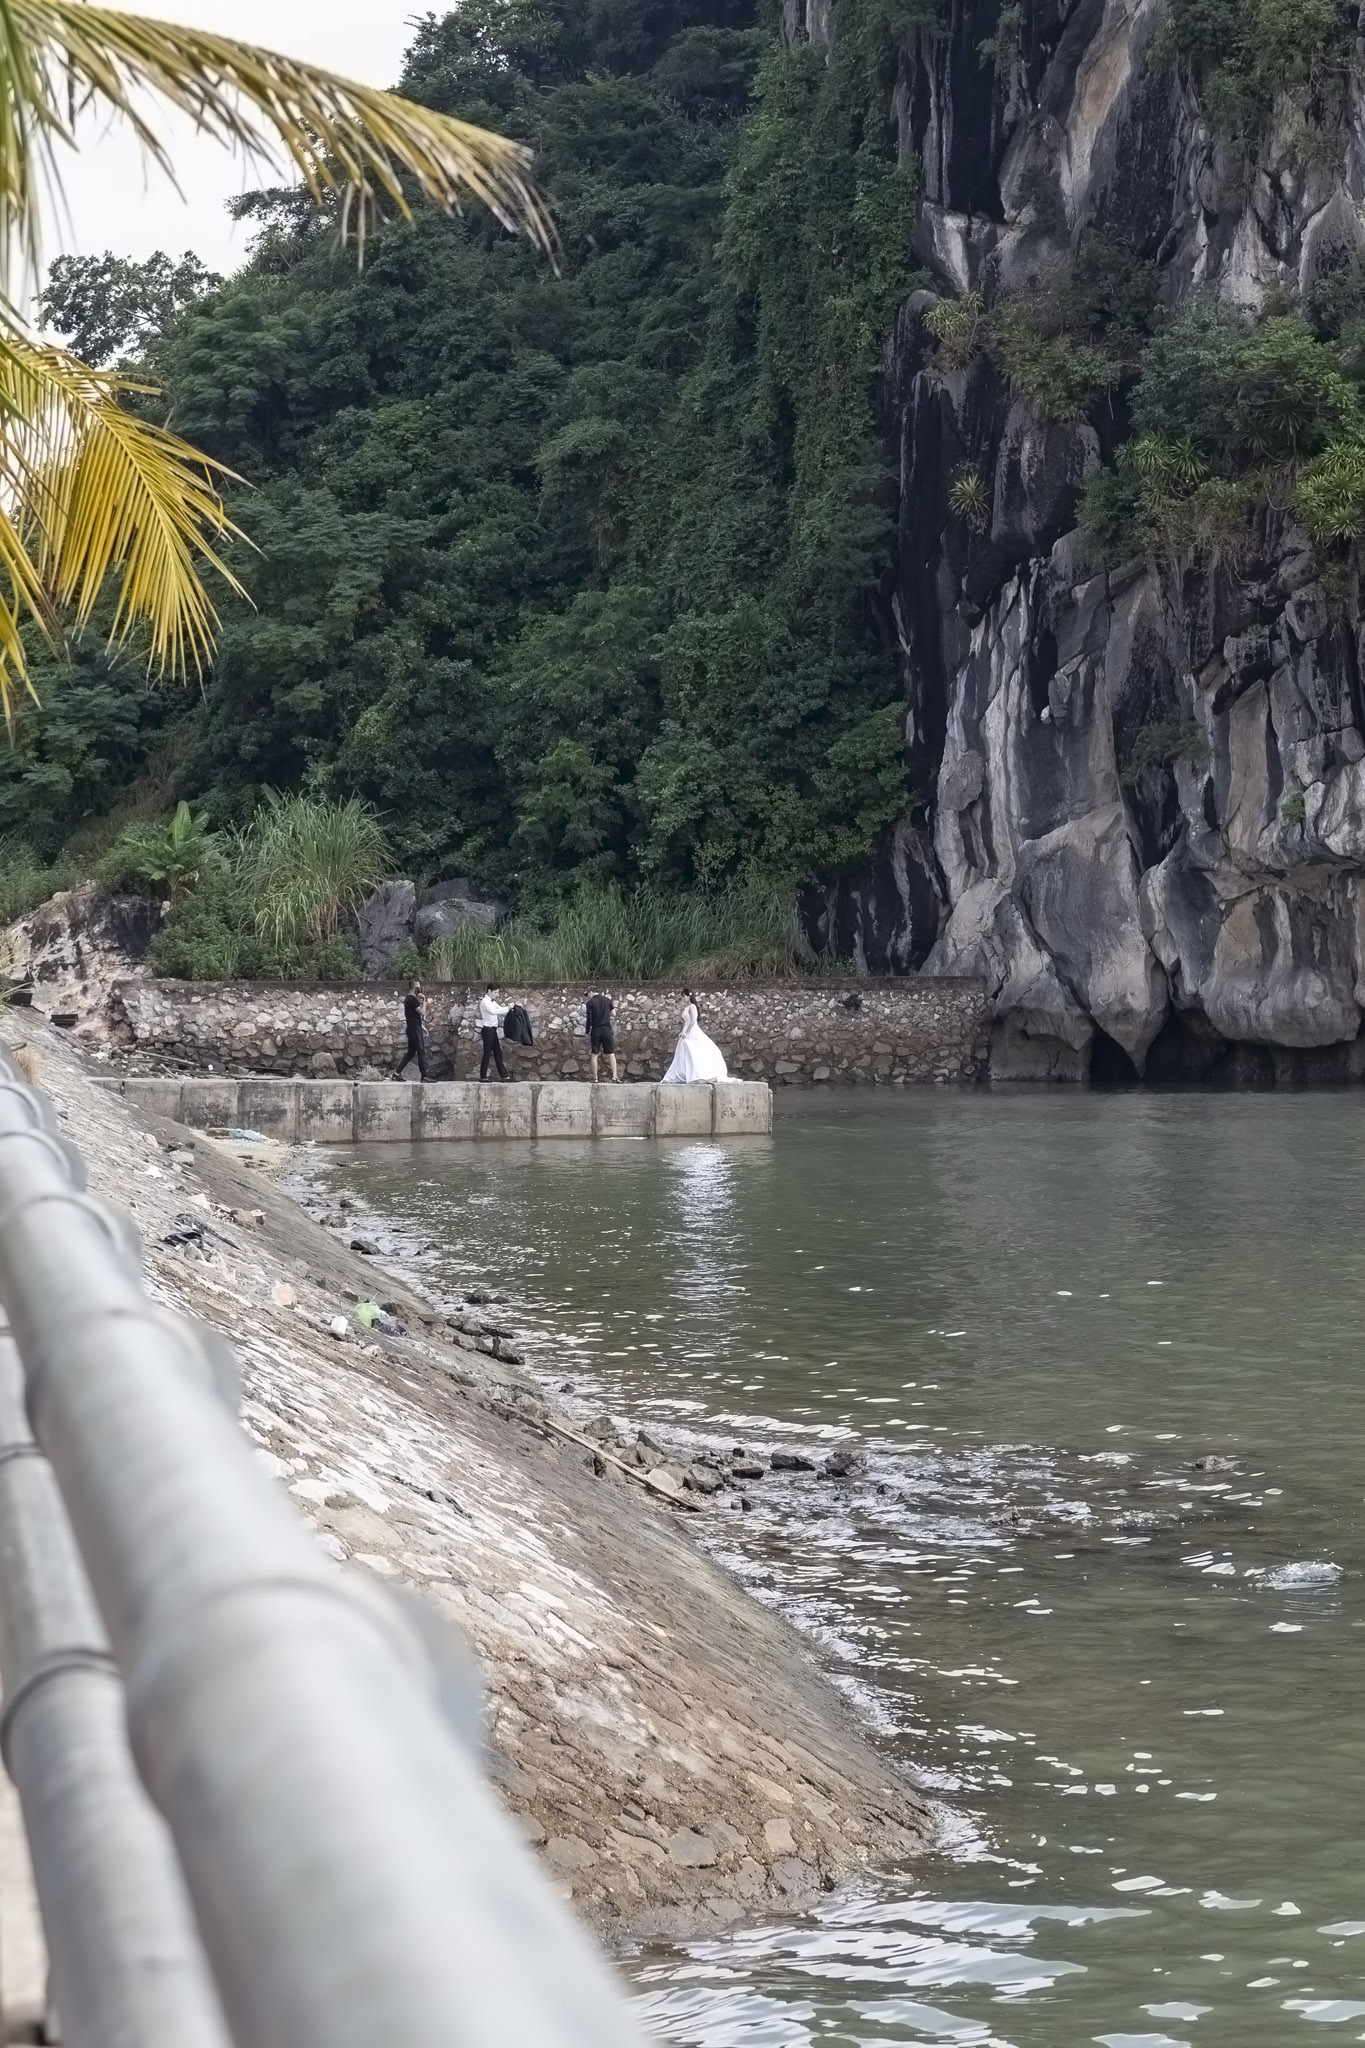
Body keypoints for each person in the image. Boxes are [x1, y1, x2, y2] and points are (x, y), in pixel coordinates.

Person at [661, 990, 728, 1083]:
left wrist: (687, 1033)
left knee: (695, 1050)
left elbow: (693, 1021)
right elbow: (686, 1022)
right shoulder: (686, 1007)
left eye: (684, 996)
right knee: (683, 1052)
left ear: (689, 996)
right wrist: (682, 1032)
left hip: (693, 1031)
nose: (683, 998)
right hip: (687, 1030)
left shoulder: (692, 1006)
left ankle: (696, 1073)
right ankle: (684, 1072)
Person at [395, 979, 428, 1080]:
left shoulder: (408, 999)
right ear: (414, 988)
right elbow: (421, 1012)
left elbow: (412, 1016)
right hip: (414, 1029)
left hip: (412, 1028)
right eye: (418, 987)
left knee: (411, 1052)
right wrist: (424, 1000)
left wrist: (422, 1027)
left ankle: (396, 1074)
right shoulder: (412, 999)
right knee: (421, 1051)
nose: (419, 989)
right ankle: (424, 1076)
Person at [477, 984, 511, 1080]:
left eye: (498, 992)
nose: (497, 994)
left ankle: (504, 1076)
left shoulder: (492, 1002)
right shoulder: (485, 1002)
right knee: (487, 1053)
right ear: (489, 991)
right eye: (495, 992)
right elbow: (493, 1011)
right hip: (487, 1030)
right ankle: (483, 1077)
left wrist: (509, 1008)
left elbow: (499, 1008)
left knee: (497, 1052)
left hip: (492, 1030)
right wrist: (507, 1008)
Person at [585, 989, 618, 1082]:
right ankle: (615, 1076)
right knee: (611, 1053)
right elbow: (614, 1013)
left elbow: (589, 1018)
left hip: (596, 1030)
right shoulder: (607, 1000)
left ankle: (595, 1078)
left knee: (594, 1054)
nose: (588, 996)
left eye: (587, 994)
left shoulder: (590, 1003)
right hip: (606, 1029)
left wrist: (587, 1031)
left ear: (591, 992)